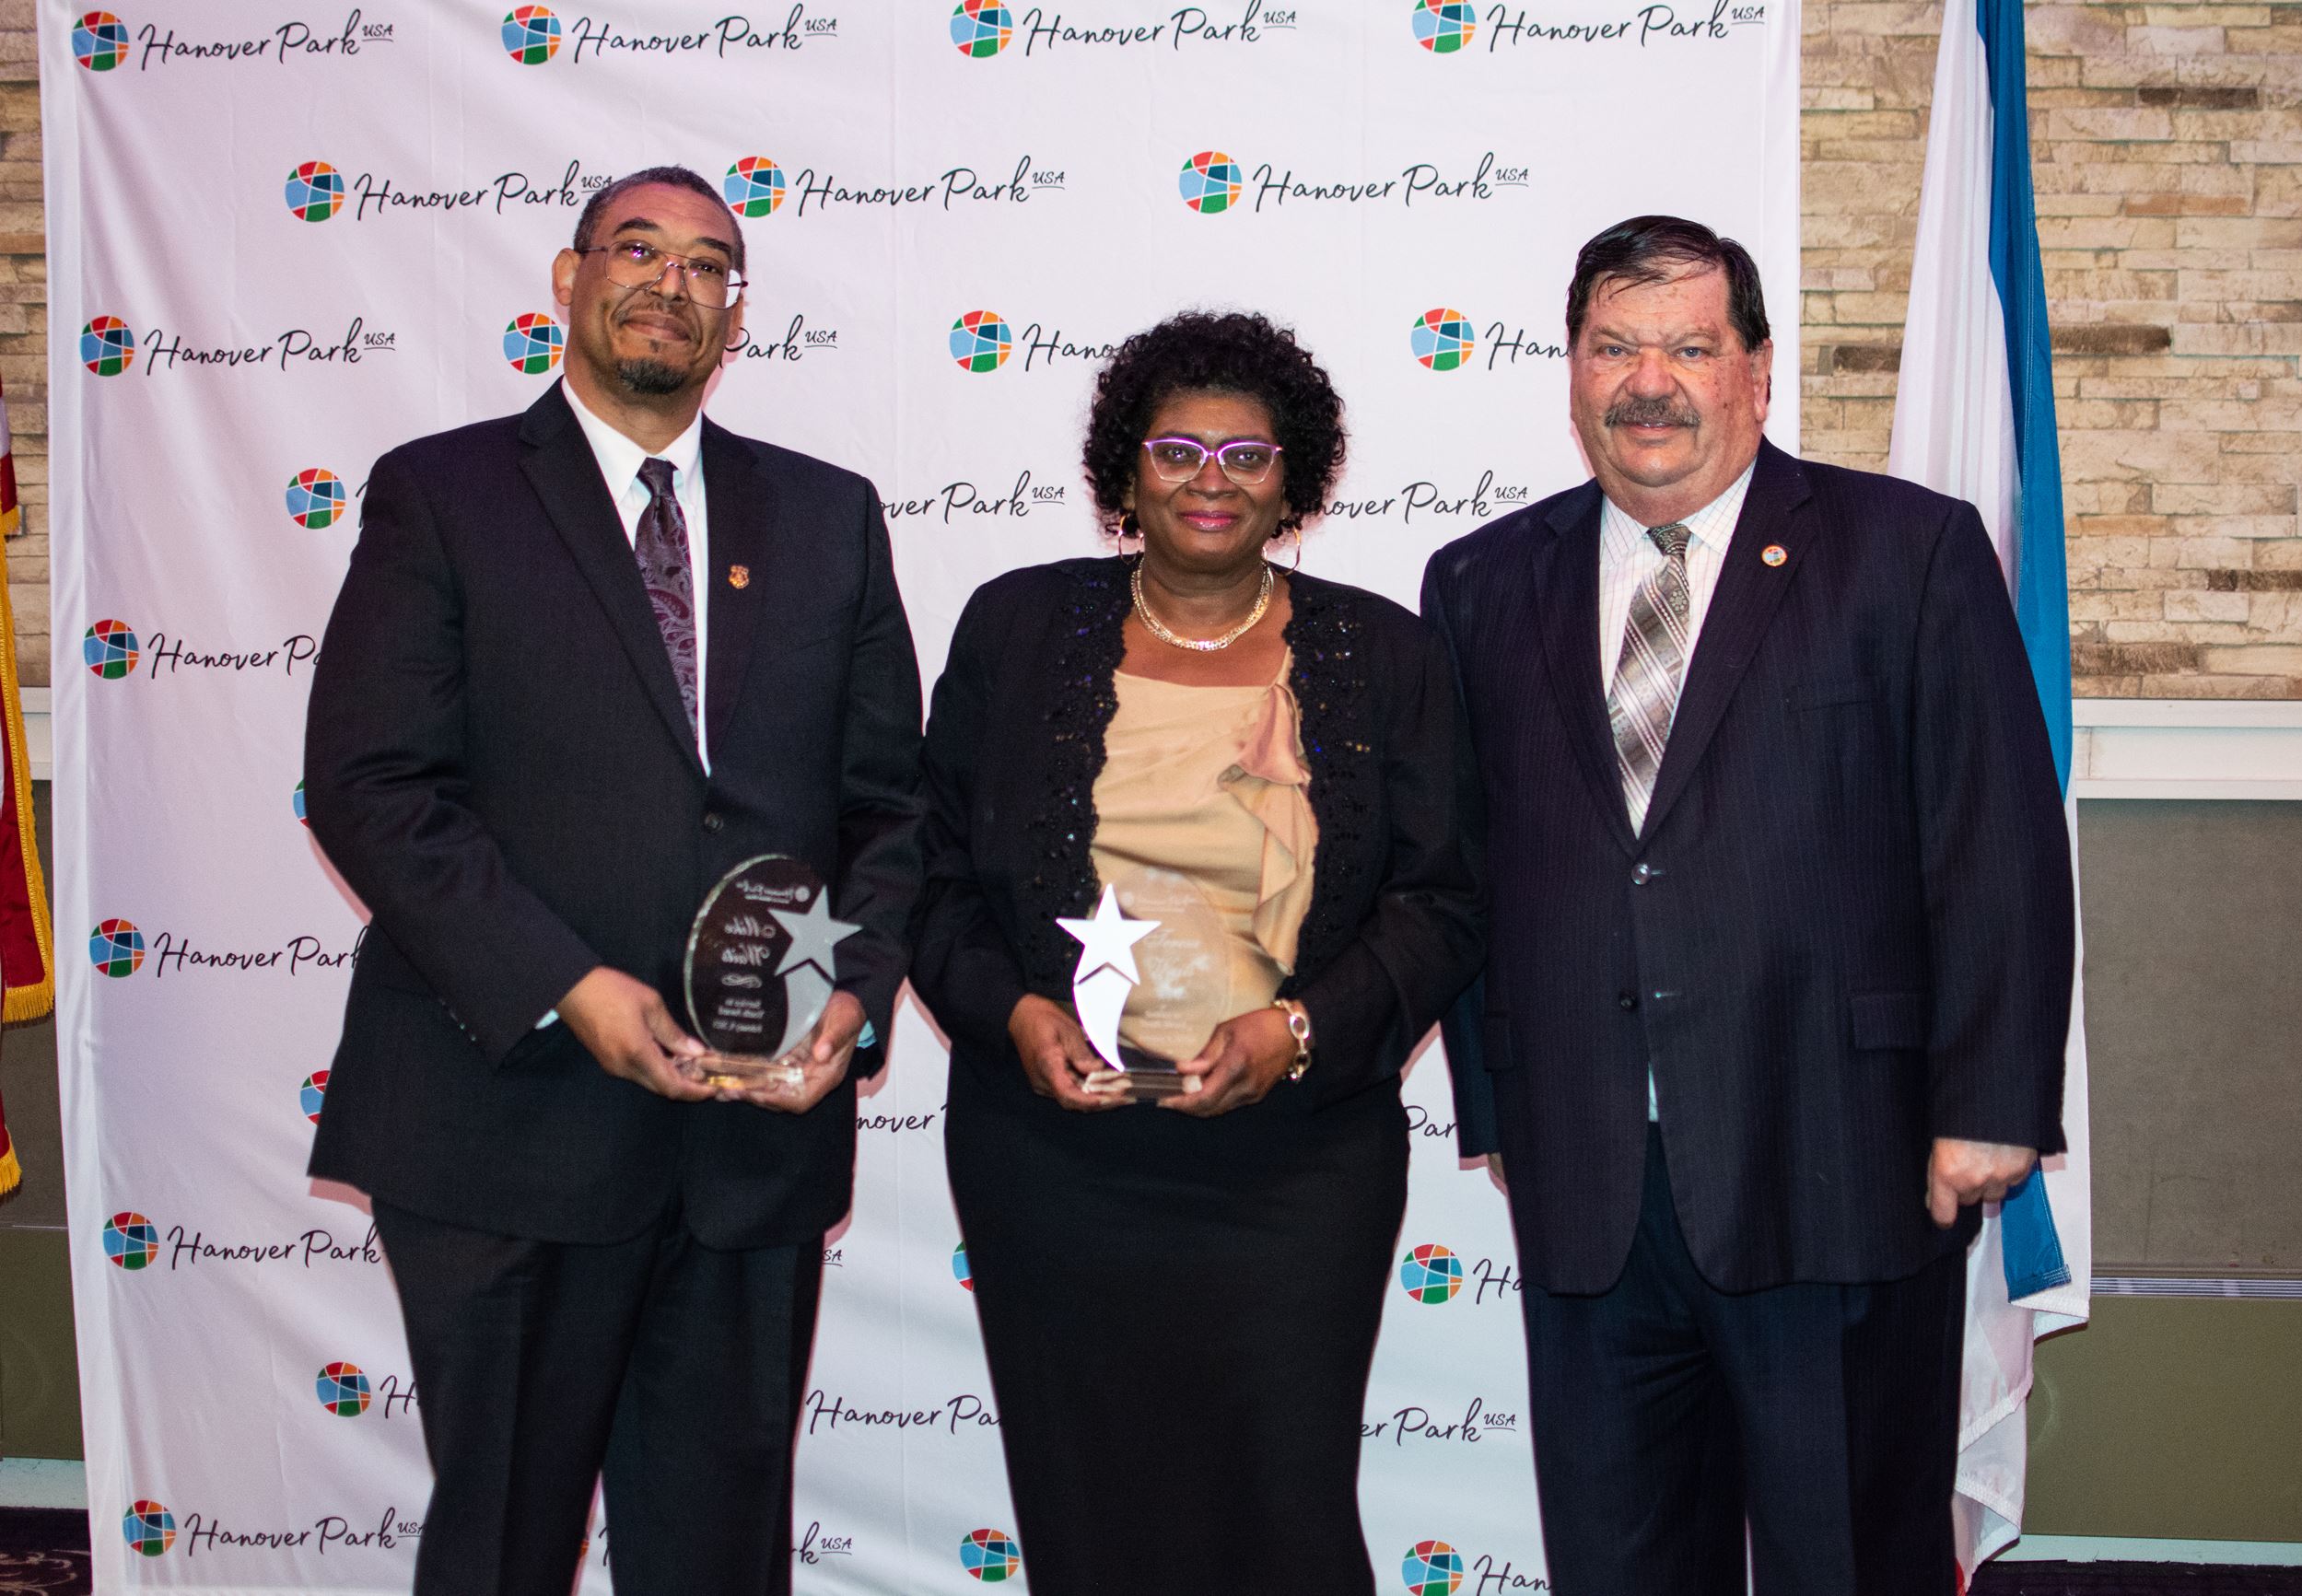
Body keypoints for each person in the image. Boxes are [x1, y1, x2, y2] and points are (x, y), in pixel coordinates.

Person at [1423, 216, 2073, 1594]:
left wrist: (1995, 1097)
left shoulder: (1906, 551)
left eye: (1690, 346)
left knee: (1848, 1557)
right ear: (1573, 367)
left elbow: (1995, 841)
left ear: (1757, 373)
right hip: (1594, 1182)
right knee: (1618, 1559)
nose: (1647, 379)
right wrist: (1504, 1108)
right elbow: (1464, 870)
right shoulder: (1480, 584)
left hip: (1838, 1155)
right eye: (1615, 345)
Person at [302, 166, 924, 1596]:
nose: (671, 281)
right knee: (505, 1548)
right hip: (505, 1119)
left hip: (749, 1146)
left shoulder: (829, 517)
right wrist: (567, 985)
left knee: (717, 1558)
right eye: (636, 248)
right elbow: (371, 783)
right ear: (567, 280)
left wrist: (846, 995)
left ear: (735, 316)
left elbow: (890, 806)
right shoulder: (442, 492)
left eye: (710, 264)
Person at [912, 310, 1483, 1595]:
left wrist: (1299, 1029)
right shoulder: (1014, 631)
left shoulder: (1384, 654)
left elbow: (1442, 901)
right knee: (1090, 1512)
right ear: (1126, 472)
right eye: (1176, 450)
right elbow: (928, 876)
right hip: (1054, 1163)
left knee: (1283, 1515)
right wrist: (1008, 1012)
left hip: (1297, 1167)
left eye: (1246, 455)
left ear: (1297, 479)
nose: (1210, 480)